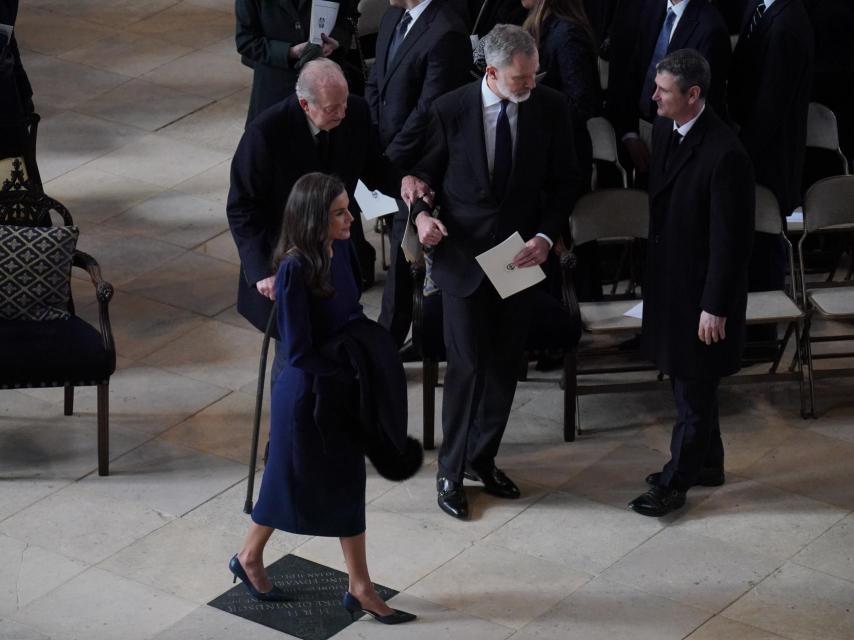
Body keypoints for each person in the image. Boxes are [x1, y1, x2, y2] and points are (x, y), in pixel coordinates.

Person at [229, 172, 416, 624]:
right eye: (339, 213)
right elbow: (297, 351)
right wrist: (346, 370)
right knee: (288, 479)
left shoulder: (343, 247)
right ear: (316, 218)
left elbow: (350, 311)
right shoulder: (294, 269)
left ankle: (359, 586)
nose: (350, 219)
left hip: (337, 383)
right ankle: (250, 557)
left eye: (348, 209)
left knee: (345, 479)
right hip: (306, 394)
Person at [411, 24, 578, 520]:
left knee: (506, 363)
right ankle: (449, 469)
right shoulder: (450, 109)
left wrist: (545, 237)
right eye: (520, 79)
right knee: (466, 366)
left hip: (517, 255)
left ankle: (481, 458)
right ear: (491, 73)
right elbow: (422, 178)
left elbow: (566, 182)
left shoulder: (549, 107)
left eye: (533, 75)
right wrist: (421, 218)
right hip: (462, 255)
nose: (530, 85)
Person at [629, 49, 754, 517]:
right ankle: (708, 464)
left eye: (663, 90)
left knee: (692, 394)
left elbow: (731, 242)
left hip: (702, 294)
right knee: (693, 384)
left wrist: (715, 306)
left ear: (693, 95)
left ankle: (675, 483)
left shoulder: (726, 154)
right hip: (671, 284)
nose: (654, 97)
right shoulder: (666, 128)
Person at [226, 59, 429, 336]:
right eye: (332, 108)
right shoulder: (265, 133)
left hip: (338, 251)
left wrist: (402, 181)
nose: (342, 113)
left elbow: (374, 165)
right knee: (296, 344)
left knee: (340, 328)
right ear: (305, 105)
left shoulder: (355, 111)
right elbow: (242, 207)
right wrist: (262, 270)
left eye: (344, 103)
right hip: (289, 256)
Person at [366, 0, 471, 350]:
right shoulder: (393, 16)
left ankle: (387, 345)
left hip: (418, 163)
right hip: (388, 155)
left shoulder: (447, 32)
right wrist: (374, 146)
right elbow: (375, 83)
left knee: (403, 259)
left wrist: (389, 160)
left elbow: (429, 111)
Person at [728, 0, 812, 295]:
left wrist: (739, 152)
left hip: (769, 158)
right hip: (748, 145)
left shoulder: (788, 24)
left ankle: (769, 315)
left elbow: (771, 108)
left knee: (766, 241)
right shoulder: (757, 5)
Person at [606, 0, 730, 183]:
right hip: (630, 131)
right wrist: (628, 133)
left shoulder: (711, 29)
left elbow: (703, 109)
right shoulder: (644, 6)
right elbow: (624, 75)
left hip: (674, 150)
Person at [236, 0, 355, 125]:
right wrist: (290, 52)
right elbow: (246, 41)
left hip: (328, 87)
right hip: (276, 88)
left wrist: (336, 40)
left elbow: (348, 17)